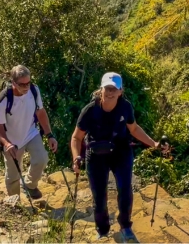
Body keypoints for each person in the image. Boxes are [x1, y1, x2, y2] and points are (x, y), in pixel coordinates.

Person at [70, 72, 168, 243]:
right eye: (107, 88)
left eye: (114, 89)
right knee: (99, 196)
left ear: (120, 91)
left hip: (120, 151)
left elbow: (134, 129)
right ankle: (102, 229)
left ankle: (125, 226)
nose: (110, 92)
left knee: (124, 189)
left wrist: (154, 144)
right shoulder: (90, 110)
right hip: (96, 154)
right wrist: (76, 157)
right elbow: (76, 138)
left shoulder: (125, 107)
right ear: (101, 89)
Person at [0, 65, 58, 199]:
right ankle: (16, 204)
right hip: (11, 140)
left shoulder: (34, 90)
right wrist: (7, 144)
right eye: (22, 84)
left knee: (42, 159)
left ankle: (30, 185)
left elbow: (41, 112)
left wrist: (49, 135)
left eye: (28, 83)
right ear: (14, 82)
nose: (26, 87)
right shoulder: (4, 99)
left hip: (31, 133)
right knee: (13, 175)